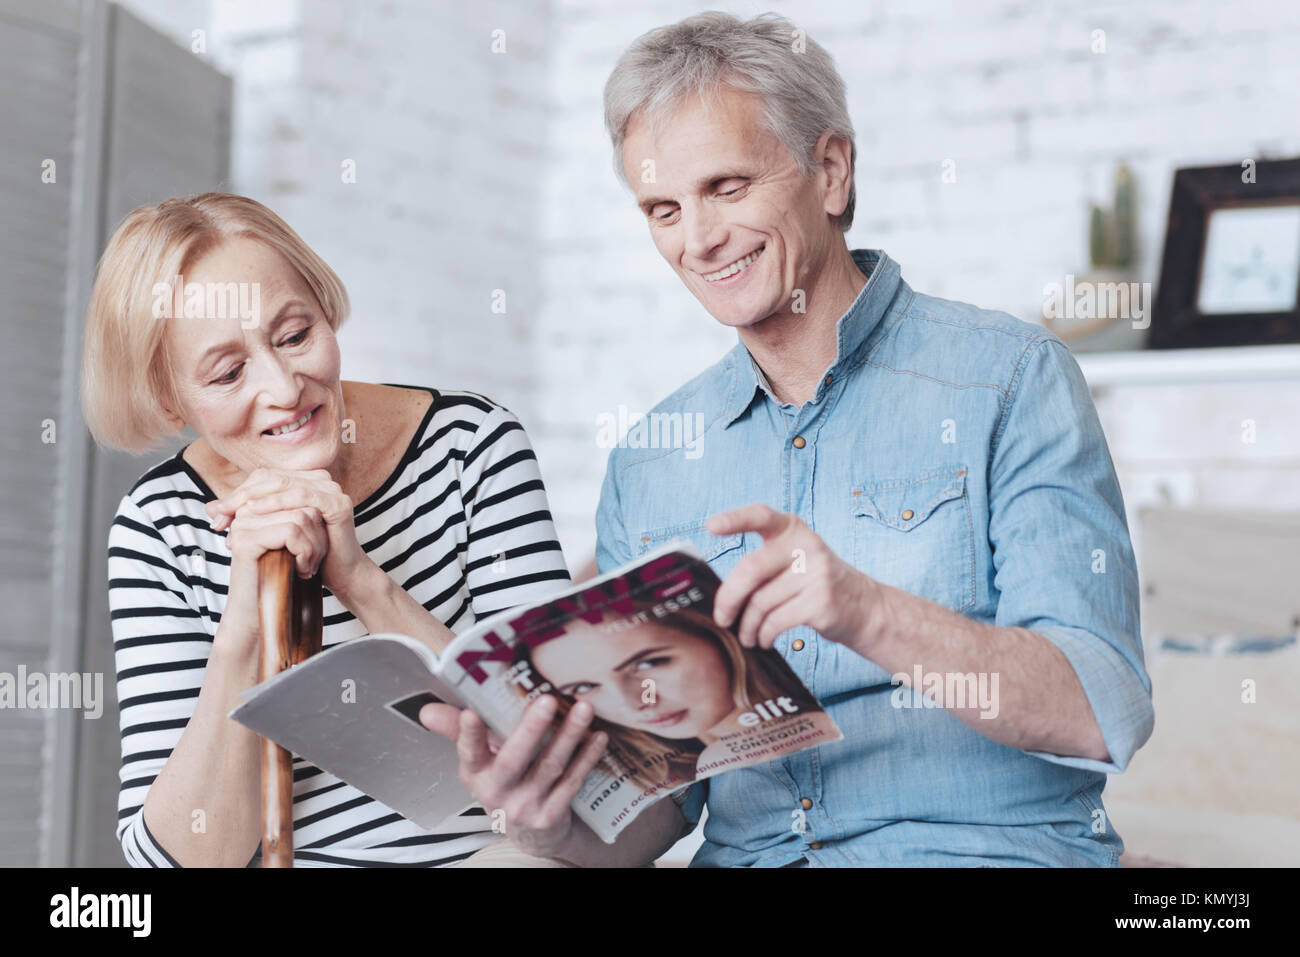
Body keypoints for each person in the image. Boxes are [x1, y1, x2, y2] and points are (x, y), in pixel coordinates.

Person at [422, 11, 1154, 867]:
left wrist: (868, 611)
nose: (698, 240)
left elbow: (1101, 708)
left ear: (831, 170)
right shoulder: (651, 460)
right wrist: (549, 819)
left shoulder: (1011, 379)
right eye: (664, 209)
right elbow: (664, 806)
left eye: (727, 188)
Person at [85, 192, 571, 867]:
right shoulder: (159, 525)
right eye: (229, 372)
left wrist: (361, 579)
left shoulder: (470, 448)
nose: (286, 387)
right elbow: (183, 860)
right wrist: (246, 622)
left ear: (324, 308)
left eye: (294, 334)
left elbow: (566, 761)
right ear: (170, 398)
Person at [510, 591, 829, 795]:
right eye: (583, 687)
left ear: (716, 636)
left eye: (648, 663)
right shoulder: (662, 772)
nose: (636, 704)